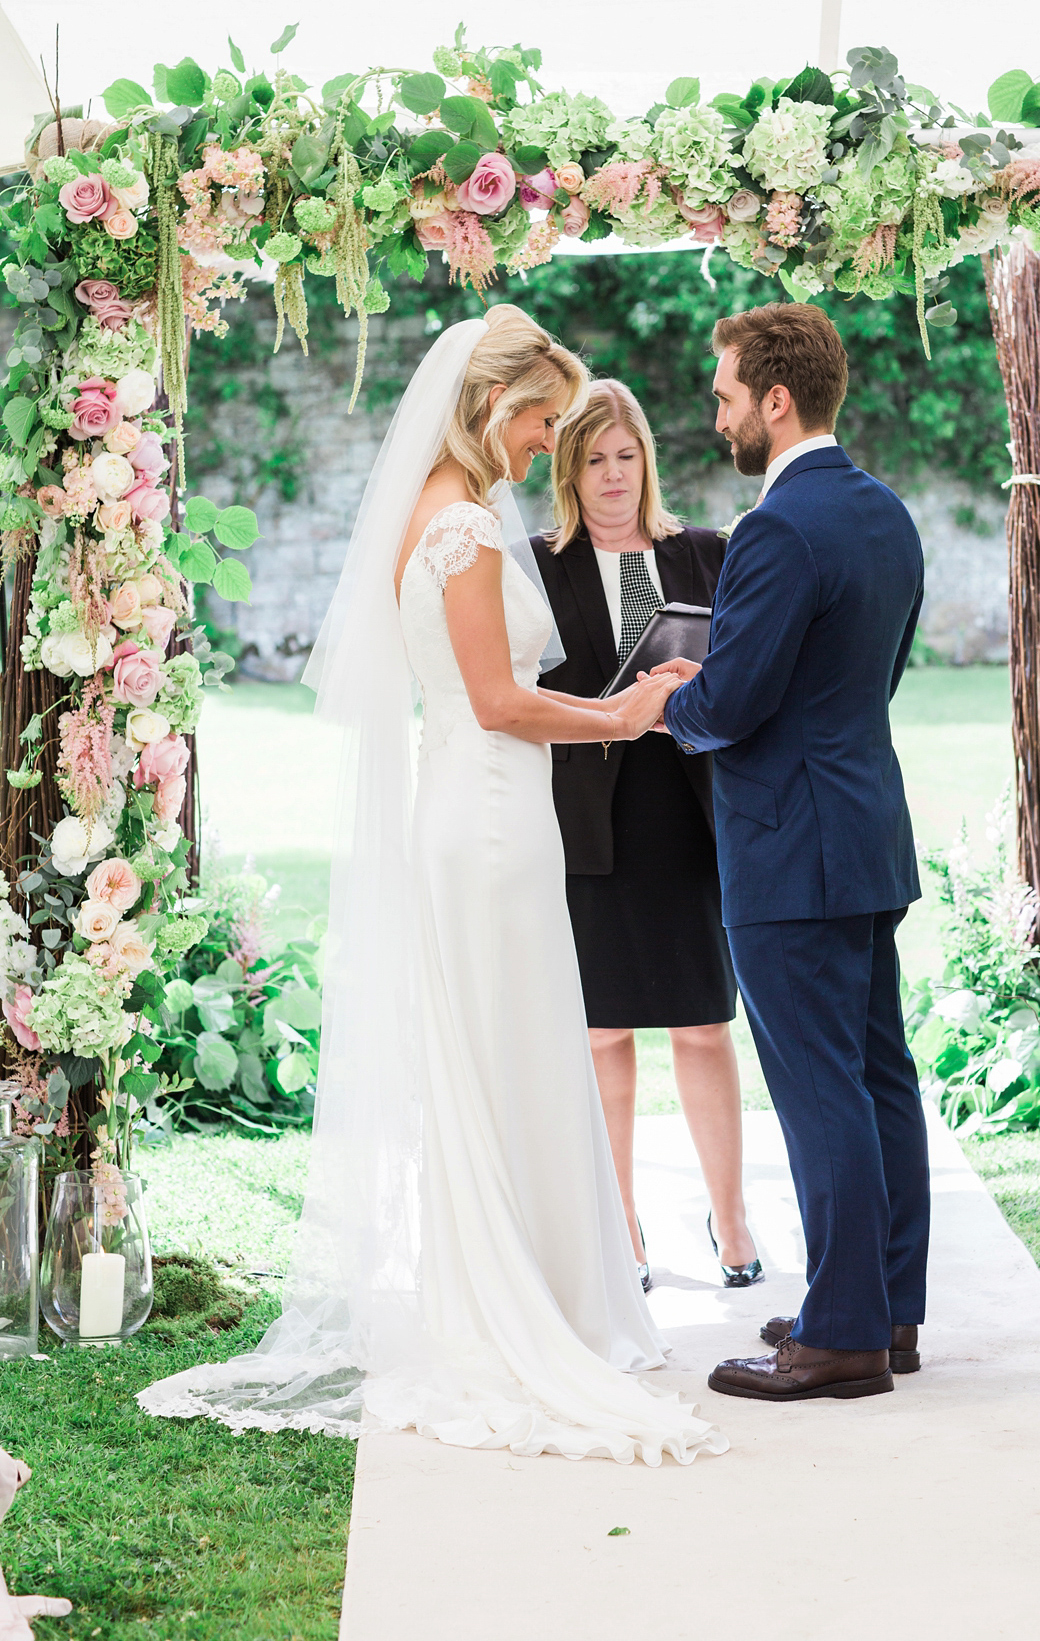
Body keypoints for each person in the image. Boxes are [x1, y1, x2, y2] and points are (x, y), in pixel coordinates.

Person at [138, 307, 727, 1467]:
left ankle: (545, 1286)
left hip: (495, 810)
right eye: (542, 421)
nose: (548, 445)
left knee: (519, 1048)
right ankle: (511, 1305)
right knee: (509, 1049)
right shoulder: (456, 528)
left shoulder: (462, 507)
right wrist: (617, 714)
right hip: (490, 815)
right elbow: (497, 701)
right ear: (491, 406)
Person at [653, 301, 930, 1404]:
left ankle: (845, 1337)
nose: (716, 415)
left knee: (822, 1089)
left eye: (724, 395)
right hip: (865, 829)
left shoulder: (776, 529)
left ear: (775, 400)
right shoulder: (886, 513)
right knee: (875, 1078)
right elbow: (871, 678)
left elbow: (739, 699)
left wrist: (680, 698)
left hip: (788, 845)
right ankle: (886, 1310)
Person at [531, 381, 759, 1290]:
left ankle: (732, 1219)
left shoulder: (706, 552)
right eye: (593, 459)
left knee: (705, 1025)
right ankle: (620, 1225)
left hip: (692, 815)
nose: (613, 476)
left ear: (647, 463)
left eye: (626, 457)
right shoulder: (537, 568)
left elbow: (745, 670)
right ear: (569, 470)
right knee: (602, 1034)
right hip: (590, 821)